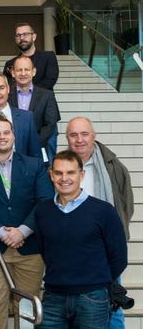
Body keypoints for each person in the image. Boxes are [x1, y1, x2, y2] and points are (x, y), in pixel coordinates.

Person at [0, 115, 54, 329]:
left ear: (14, 135)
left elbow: (44, 201)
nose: (1, 137)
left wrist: (22, 231)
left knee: (26, 309)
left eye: (6, 132)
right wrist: (2, 233)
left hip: (29, 249)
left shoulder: (35, 165)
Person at [35, 150, 127, 329]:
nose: (64, 178)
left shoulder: (104, 211)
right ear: (51, 175)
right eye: (59, 173)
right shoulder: (41, 211)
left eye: (71, 172)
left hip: (92, 298)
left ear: (81, 174)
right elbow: (45, 250)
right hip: (54, 297)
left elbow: (119, 258)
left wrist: (95, 282)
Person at [66, 116, 134, 328]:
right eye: (73, 135)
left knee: (113, 303)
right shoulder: (60, 167)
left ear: (94, 136)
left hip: (106, 247)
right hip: (70, 249)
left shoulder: (114, 167)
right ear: (67, 138)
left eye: (84, 134)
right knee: (76, 306)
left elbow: (126, 204)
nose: (79, 140)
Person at [8, 56, 60, 160]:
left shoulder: (47, 95)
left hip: (40, 147)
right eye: (19, 70)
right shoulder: (6, 95)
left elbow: (50, 124)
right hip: (11, 149)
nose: (23, 73)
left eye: (27, 69)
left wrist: (33, 144)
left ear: (34, 72)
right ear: (13, 73)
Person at [3, 22, 59, 91]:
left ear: (34, 37)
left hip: (43, 100)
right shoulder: (10, 64)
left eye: (25, 34)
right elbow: (7, 86)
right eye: (18, 35)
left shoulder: (48, 57)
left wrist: (26, 91)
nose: (22, 38)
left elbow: (50, 81)